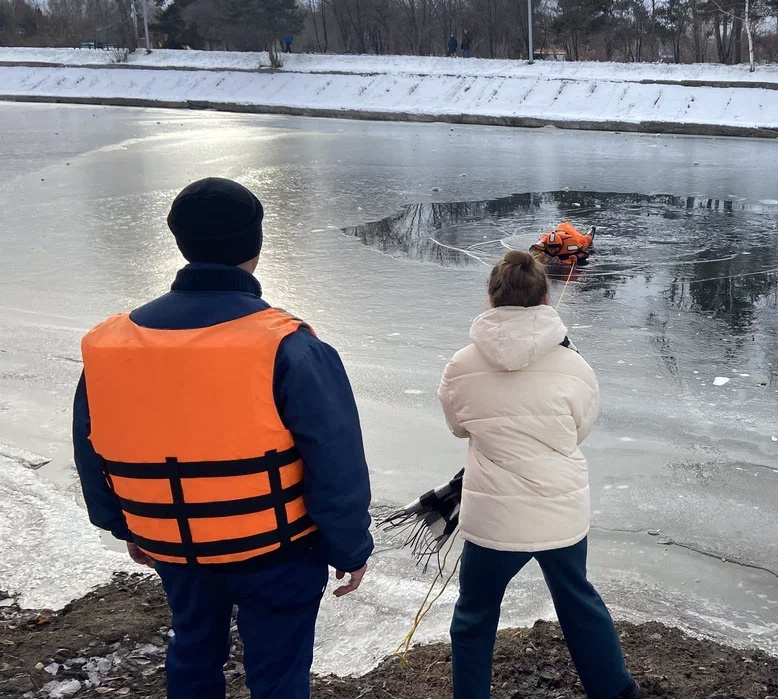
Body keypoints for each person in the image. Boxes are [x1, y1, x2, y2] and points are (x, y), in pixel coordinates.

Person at [73, 177, 374, 699]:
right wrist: (350, 548)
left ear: (179, 241)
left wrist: (126, 527)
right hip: (276, 550)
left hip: (172, 543)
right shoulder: (287, 345)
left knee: (192, 648)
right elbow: (336, 459)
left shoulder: (109, 344)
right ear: (255, 245)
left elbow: (90, 445)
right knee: (277, 674)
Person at [439, 251, 642, 699]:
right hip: (559, 510)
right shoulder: (576, 366)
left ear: (491, 297)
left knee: (474, 615)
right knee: (578, 604)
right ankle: (616, 693)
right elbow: (579, 431)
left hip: (493, 519)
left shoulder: (460, 365)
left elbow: (457, 427)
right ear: (545, 296)